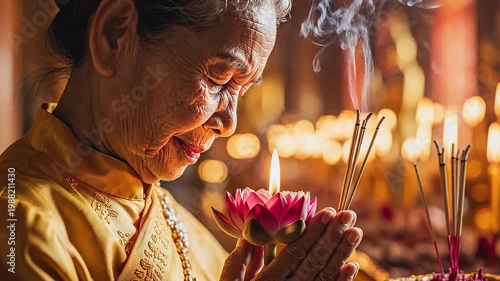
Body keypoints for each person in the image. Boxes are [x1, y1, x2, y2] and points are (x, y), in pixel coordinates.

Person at [0, 0, 363, 280]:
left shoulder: (182, 224)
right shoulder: (19, 229)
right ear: (114, 35)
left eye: (242, 90)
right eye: (219, 79)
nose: (229, 124)